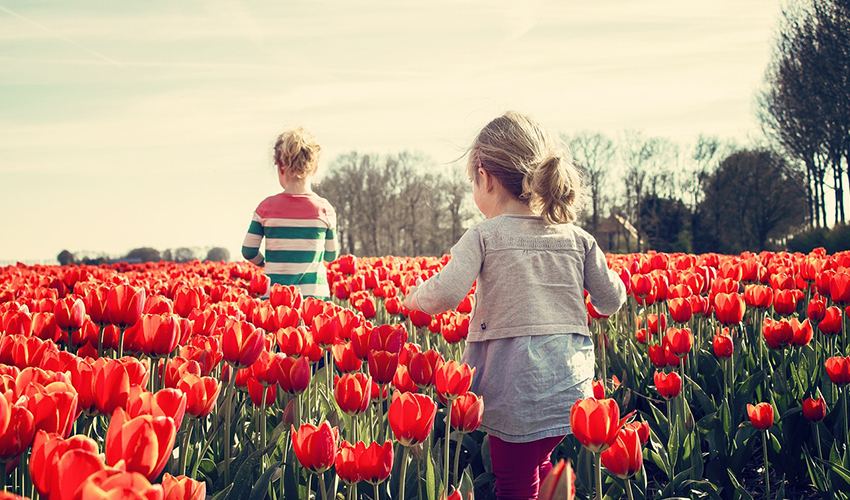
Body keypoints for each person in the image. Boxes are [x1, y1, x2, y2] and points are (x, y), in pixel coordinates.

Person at [403, 111, 626, 500]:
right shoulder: (578, 238)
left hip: (514, 387)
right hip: (570, 387)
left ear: (484, 175)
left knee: (514, 483)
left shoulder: (485, 235)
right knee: (538, 464)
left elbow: (447, 293)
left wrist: (414, 298)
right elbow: (611, 299)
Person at [241, 127, 338, 299]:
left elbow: (248, 250)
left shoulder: (266, 208)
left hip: (275, 298)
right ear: (315, 168)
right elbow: (331, 255)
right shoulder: (324, 209)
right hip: (314, 297)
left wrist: (265, 263)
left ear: (280, 167)